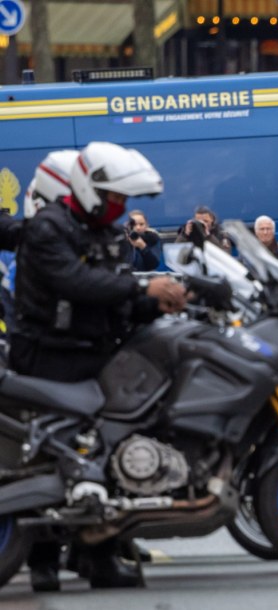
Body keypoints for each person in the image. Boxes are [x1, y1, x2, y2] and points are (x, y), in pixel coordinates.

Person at [12, 141, 187, 591]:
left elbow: (117, 297)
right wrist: (142, 292)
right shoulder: (47, 227)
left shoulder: (110, 234)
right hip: (49, 357)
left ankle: (99, 555)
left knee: (116, 448)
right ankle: (43, 562)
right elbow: (76, 282)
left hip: (97, 352)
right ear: (89, 190)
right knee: (53, 458)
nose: (121, 207)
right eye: (115, 198)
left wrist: (162, 305)